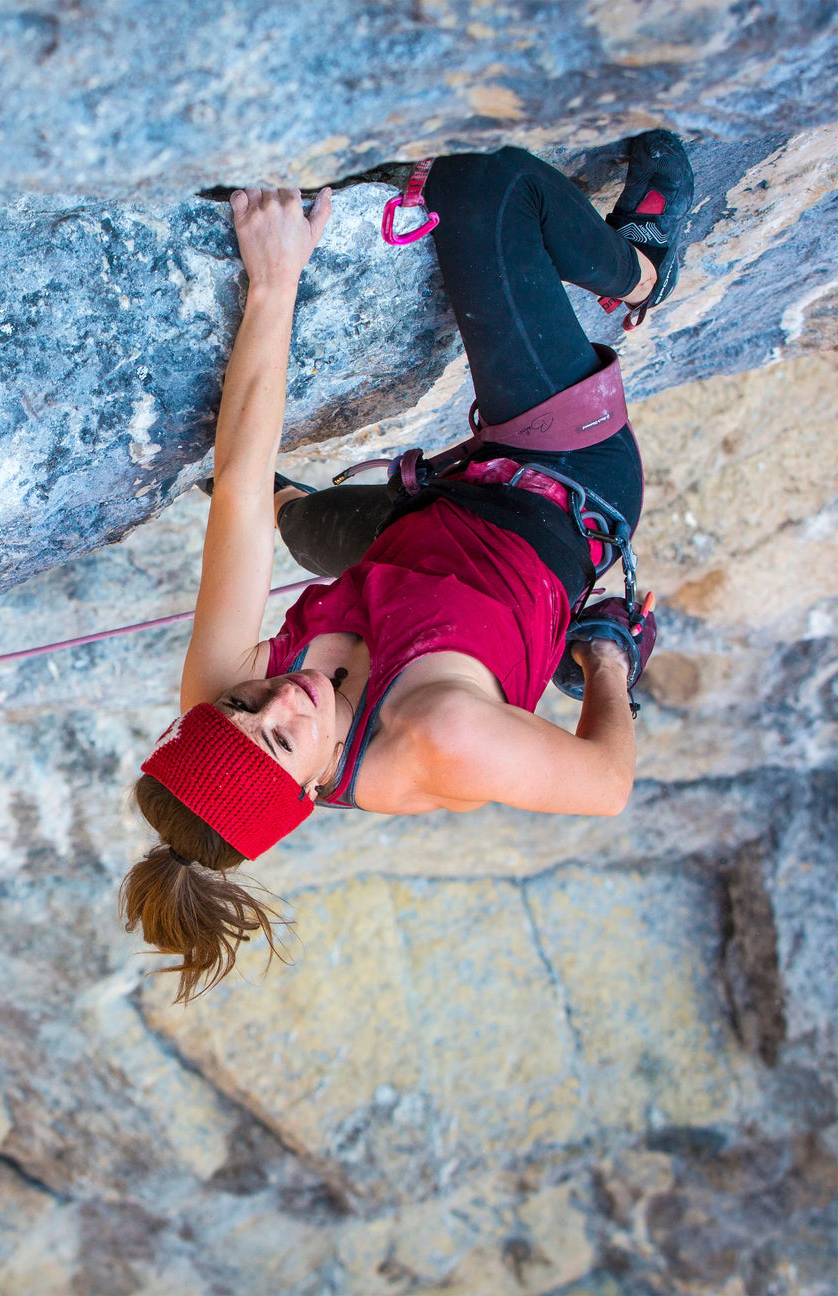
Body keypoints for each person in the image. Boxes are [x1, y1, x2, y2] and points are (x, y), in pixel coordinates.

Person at [122, 134, 693, 1001]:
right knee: (487, 191)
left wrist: (275, 279)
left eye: (241, 704)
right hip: (559, 484)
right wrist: (609, 658)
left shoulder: (222, 706)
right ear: (311, 791)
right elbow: (608, 786)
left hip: (428, 532)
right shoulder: (438, 742)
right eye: (280, 735)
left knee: (303, 526)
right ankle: (646, 271)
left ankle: (315, 512)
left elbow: (236, 490)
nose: (275, 697)